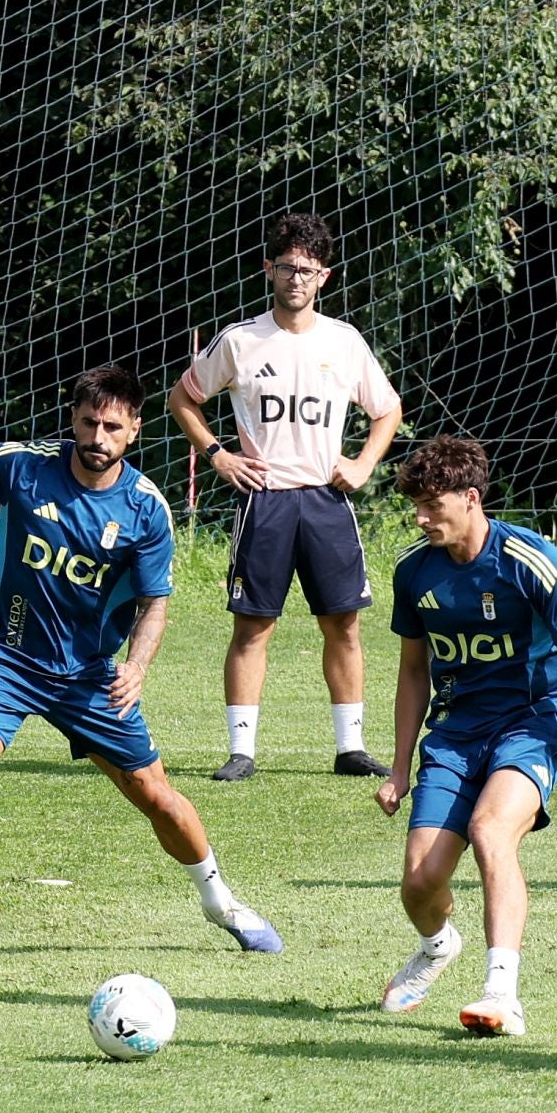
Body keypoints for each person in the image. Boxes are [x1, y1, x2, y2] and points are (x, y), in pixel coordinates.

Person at [0, 364, 284, 960]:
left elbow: (156, 602)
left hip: (89, 676)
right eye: (87, 422)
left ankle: (221, 902)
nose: (96, 437)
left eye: (111, 426)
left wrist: (137, 666)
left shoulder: (145, 510)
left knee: (154, 794)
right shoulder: (26, 466)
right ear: (72, 420)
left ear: (133, 429)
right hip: (8, 658)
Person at [373, 437, 557, 1035]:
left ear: (471, 498)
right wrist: (400, 767)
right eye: (417, 506)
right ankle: (437, 947)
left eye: (432, 505)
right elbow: (412, 671)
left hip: (532, 723)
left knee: (490, 831)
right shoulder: (414, 571)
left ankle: (501, 993)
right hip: (455, 734)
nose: (421, 517)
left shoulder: (527, 560)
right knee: (421, 881)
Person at [166, 212, 403, 782]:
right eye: (287, 267)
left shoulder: (345, 342)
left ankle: (351, 747)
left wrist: (365, 462)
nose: (296, 278)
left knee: (343, 624)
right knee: (253, 625)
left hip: (325, 499)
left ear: (324, 276)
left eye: (308, 269)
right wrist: (219, 455)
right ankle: (241, 751)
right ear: (269, 270)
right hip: (264, 500)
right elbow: (182, 399)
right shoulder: (241, 341)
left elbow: (387, 409)